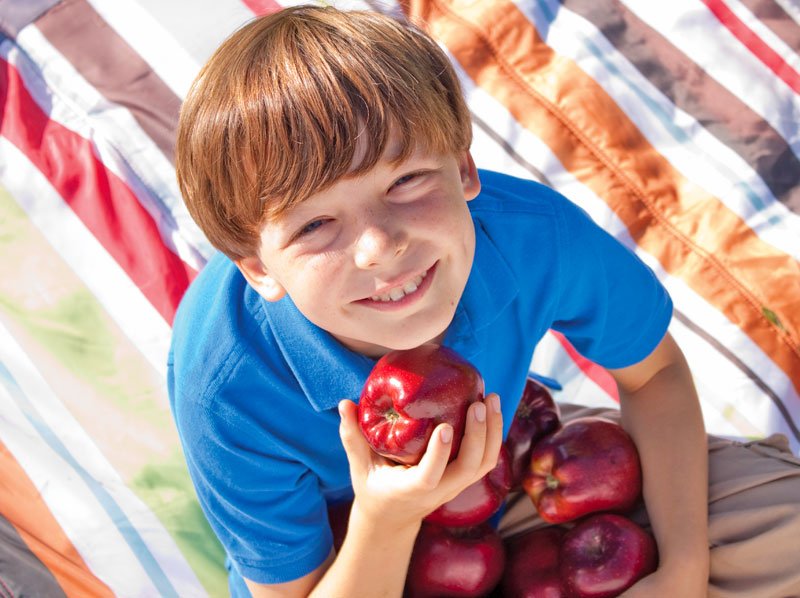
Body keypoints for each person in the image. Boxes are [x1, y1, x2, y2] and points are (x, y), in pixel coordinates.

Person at [168, 5, 800, 597]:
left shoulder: (529, 236)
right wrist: (389, 515)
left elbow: (654, 372)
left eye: (406, 180)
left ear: (465, 170)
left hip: (507, 462)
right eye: (313, 226)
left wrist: (684, 570)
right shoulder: (224, 385)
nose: (380, 247)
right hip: (350, 547)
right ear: (257, 268)